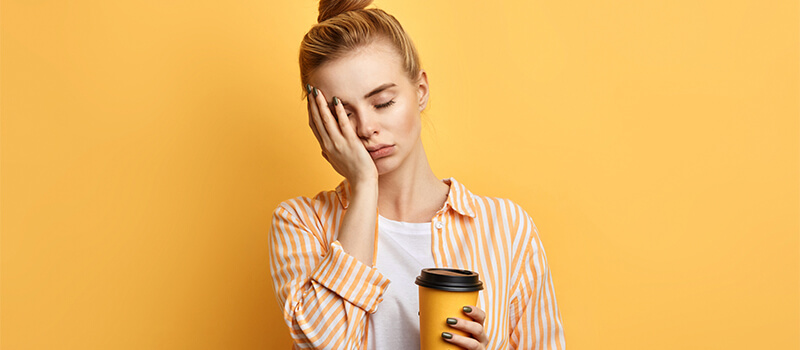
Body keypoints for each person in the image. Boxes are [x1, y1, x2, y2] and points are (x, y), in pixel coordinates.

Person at [268, 1, 566, 349]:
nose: (366, 128)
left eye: (382, 103)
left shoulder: (508, 229)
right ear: (320, 122)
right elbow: (322, 346)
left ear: (420, 91)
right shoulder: (301, 224)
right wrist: (365, 186)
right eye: (343, 114)